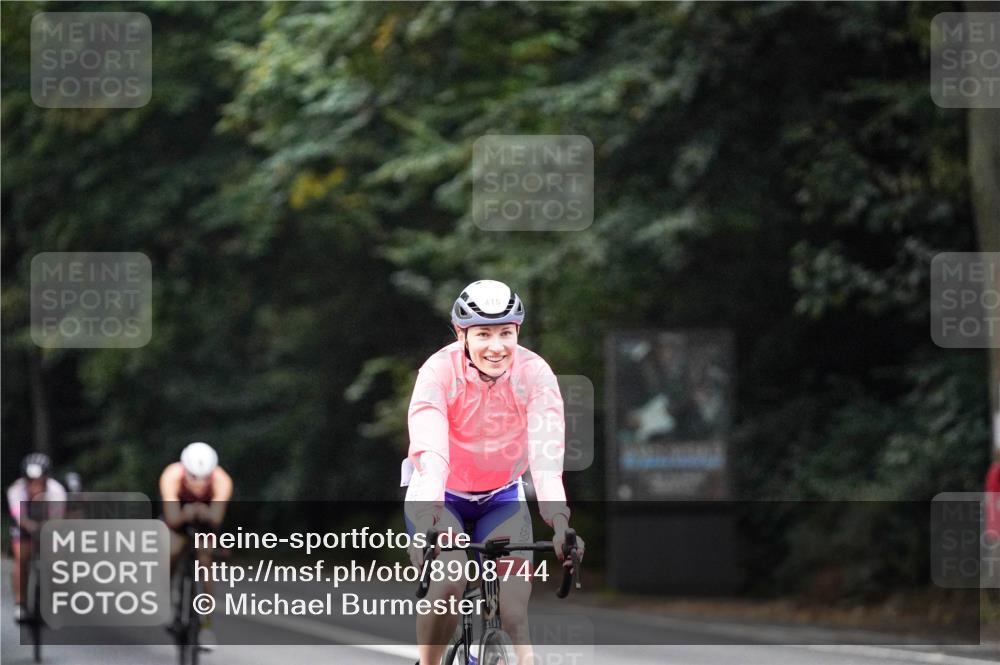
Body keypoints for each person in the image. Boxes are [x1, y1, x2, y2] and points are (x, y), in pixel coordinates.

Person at [403, 279, 584, 665]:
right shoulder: (438, 372)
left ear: (518, 331)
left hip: (501, 496)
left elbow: (546, 460)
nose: (497, 347)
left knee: (515, 614)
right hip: (440, 496)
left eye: (506, 333)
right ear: (461, 334)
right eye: (483, 334)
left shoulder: (536, 375)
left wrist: (560, 523)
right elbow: (431, 452)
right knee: (450, 579)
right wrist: (429, 515)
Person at [159, 442, 232, 649]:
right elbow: (173, 518)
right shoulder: (171, 475)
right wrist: (186, 514)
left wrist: (203, 513)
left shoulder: (222, 480)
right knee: (172, 551)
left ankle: (206, 624)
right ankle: (170, 599)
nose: (198, 483)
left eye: (204, 478)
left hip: (205, 518)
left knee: (205, 563)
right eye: (193, 477)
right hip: (178, 515)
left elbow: (216, 518)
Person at [7, 453, 66, 622]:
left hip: (49, 523)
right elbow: (20, 519)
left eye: (39, 481)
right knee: (21, 558)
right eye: (30, 481)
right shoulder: (16, 490)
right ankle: (20, 603)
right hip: (24, 524)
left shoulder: (57, 492)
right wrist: (31, 527)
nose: (34, 486)